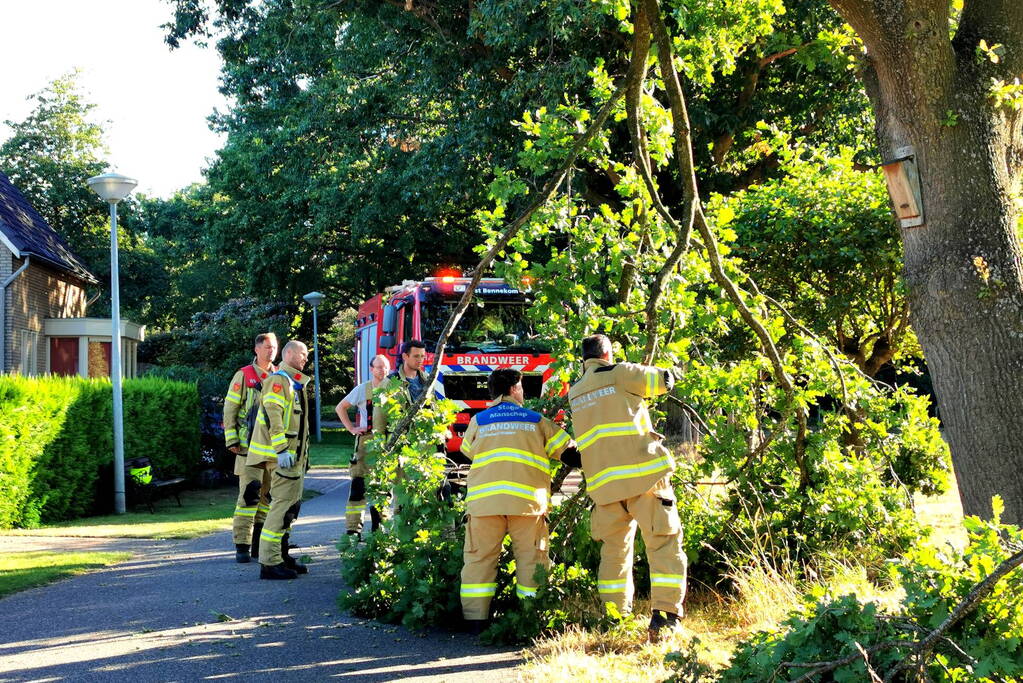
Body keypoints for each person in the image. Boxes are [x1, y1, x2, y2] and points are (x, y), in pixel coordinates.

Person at [567, 334, 686, 641]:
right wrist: (673, 368)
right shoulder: (618, 372)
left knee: (614, 553)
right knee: (663, 545)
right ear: (607, 353)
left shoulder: (576, 391)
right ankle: (665, 617)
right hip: (643, 478)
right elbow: (663, 380)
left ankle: (614, 617)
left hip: (605, 487)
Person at [458, 368, 580, 634]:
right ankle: (530, 619)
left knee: (479, 560)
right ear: (514, 389)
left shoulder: (479, 420)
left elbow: (467, 451)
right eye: (522, 387)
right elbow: (570, 454)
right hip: (527, 505)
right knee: (531, 560)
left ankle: (475, 621)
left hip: (484, 505)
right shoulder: (536, 420)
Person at [246, 340, 313, 580]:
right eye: (303, 353)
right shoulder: (279, 381)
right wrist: (282, 449)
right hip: (283, 458)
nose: (306, 358)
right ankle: (270, 562)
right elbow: (274, 418)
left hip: (293, 460)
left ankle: (281, 556)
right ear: (290, 353)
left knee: (289, 509)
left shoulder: (293, 383)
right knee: (280, 508)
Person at [223, 332, 278, 563]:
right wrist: (232, 439)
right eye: (267, 347)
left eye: (274, 347)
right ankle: (242, 546)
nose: (271, 351)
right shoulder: (244, 375)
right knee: (248, 496)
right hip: (248, 449)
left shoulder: (280, 376)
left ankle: (258, 545)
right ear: (257, 349)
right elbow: (230, 409)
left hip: (273, 450)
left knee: (268, 498)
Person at [336, 354, 390, 535]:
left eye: (385, 367)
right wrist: (352, 428)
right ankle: (353, 531)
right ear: (371, 369)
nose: (383, 370)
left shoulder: (395, 390)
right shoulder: (362, 390)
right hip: (365, 442)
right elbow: (340, 407)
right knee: (358, 486)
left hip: (386, 443)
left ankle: (379, 530)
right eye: (379, 367)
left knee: (381, 487)